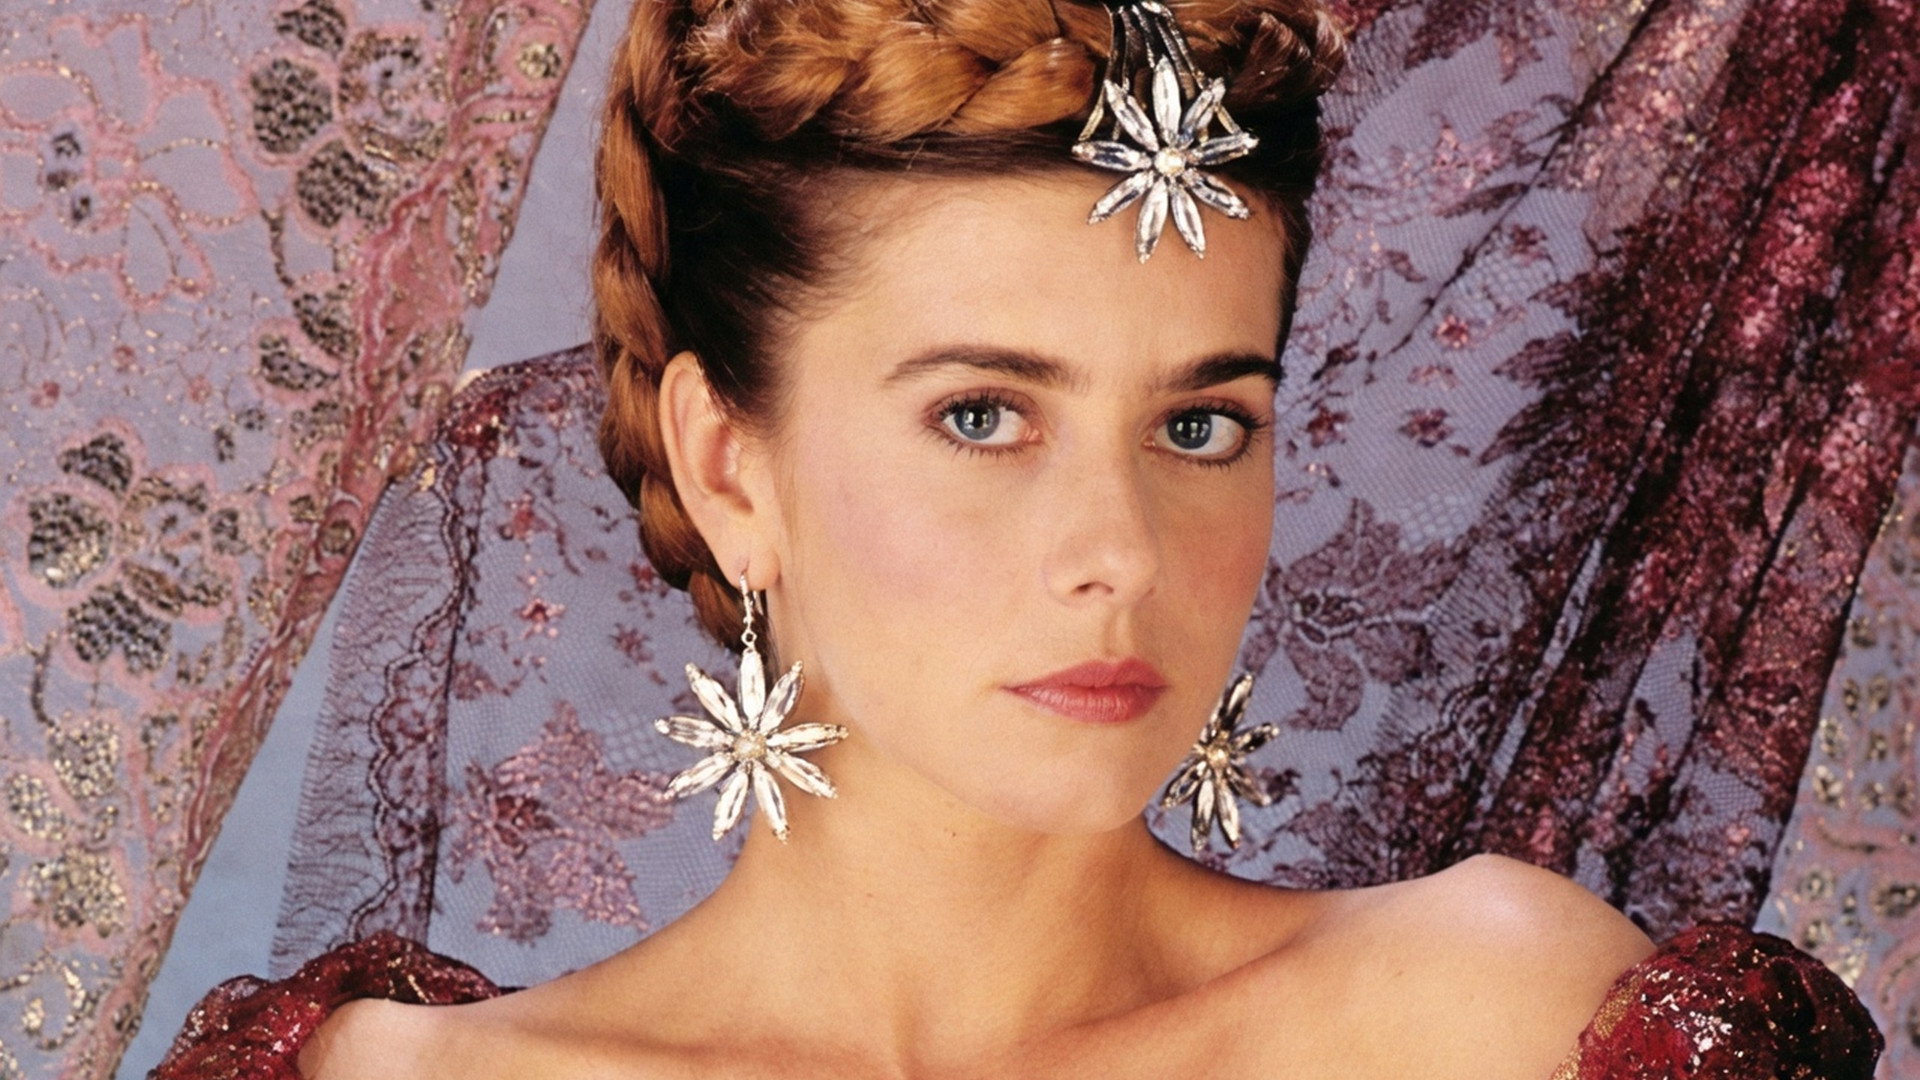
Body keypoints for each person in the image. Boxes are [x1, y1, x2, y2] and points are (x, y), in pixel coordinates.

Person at [152, 0, 1883, 1077]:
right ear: (728, 466)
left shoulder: (1504, 1028)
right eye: (984, 415)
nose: (1119, 551)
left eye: (1199, 425)